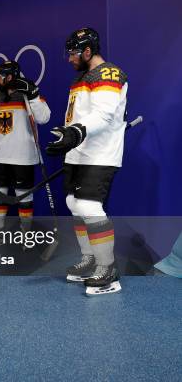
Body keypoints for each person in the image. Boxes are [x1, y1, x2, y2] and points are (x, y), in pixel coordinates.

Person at [46, 27, 128, 296]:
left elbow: (104, 115)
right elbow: (80, 116)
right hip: (79, 153)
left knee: (90, 206)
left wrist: (76, 132)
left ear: (88, 51)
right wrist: (66, 135)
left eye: (73, 53)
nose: (69, 59)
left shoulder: (108, 72)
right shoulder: (82, 77)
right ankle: (90, 258)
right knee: (74, 204)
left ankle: (108, 268)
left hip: (100, 154)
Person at [0, 61, 51, 235]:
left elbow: (44, 117)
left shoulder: (27, 94)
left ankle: (25, 235)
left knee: (24, 198)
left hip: (22, 157)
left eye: (0, 77)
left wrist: (33, 95)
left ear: (10, 77)